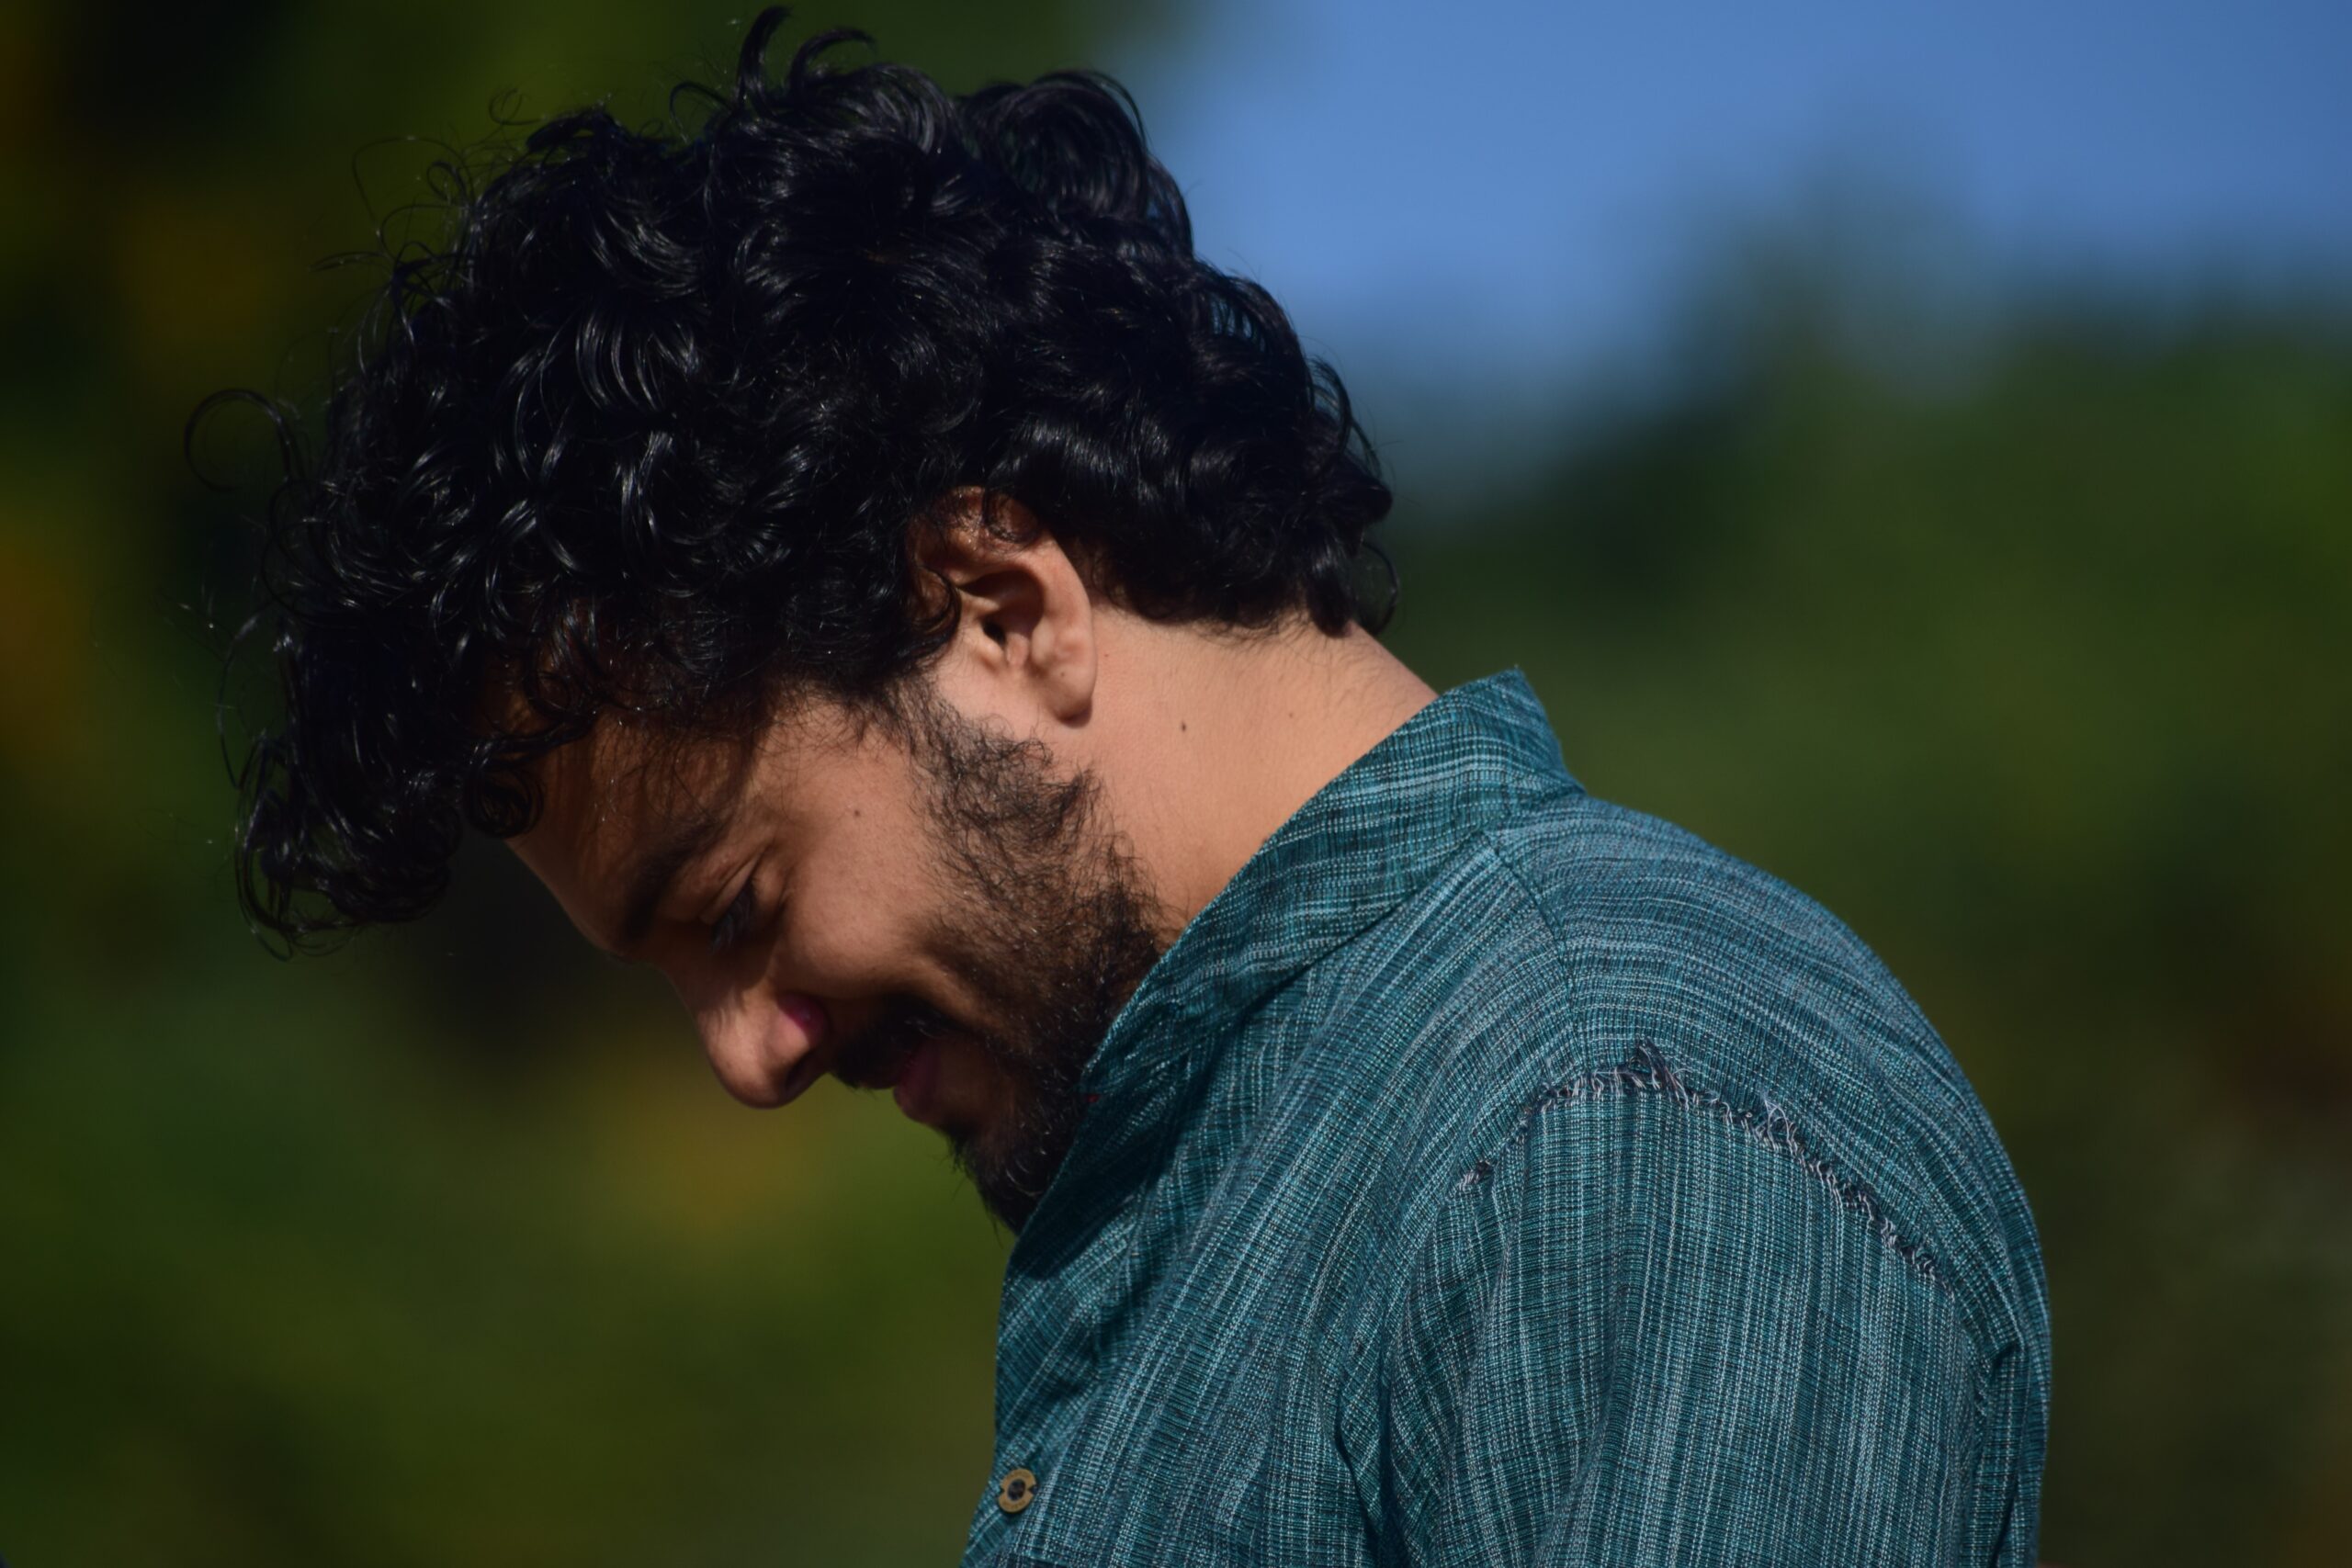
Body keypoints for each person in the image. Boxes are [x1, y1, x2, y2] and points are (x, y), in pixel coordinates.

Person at [215, 9, 2050, 1562]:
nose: (744, 1059)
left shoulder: (1601, 1119)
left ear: (1005, 608)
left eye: (735, 905)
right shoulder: (1268, 1169)